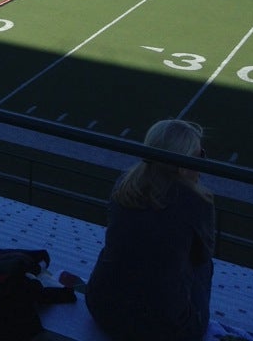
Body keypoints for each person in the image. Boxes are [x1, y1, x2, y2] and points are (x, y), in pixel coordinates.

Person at [86, 119, 214, 341]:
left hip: (103, 308)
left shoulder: (125, 184)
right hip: (165, 330)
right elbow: (200, 258)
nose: (202, 161)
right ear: (183, 163)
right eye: (199, 155)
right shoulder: (197, 201)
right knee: (204, 265)